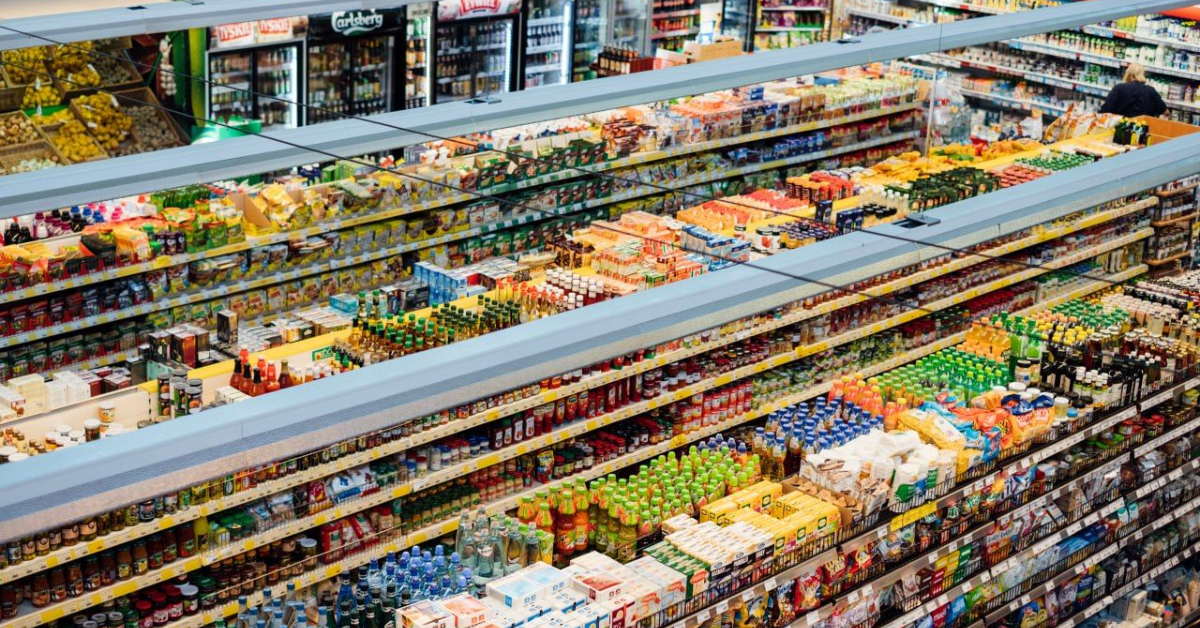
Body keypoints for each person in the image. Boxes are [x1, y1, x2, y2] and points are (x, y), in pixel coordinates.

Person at [1099, 63, 1167, 117]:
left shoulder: (1118, 88)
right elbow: (1165, 111)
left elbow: (1105, 110)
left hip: (1120, 127)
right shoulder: (1150, 91)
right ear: (1143, 74)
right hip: (1142, 128)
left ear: (1127, 73)